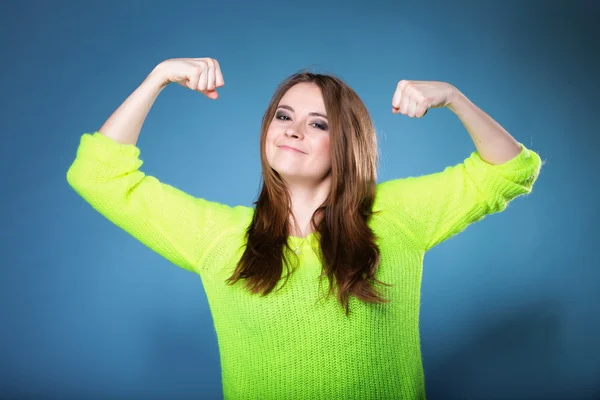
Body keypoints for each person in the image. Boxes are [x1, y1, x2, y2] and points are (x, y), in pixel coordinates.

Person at [66, 57, 543, 399]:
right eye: (283, 115)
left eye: (319, 124)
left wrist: (454, 98)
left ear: (348, 144)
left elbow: (511, 170)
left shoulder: (397, 217)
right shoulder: (217, 236)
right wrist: (159, 77)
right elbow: (97, 176)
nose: (293, 130)